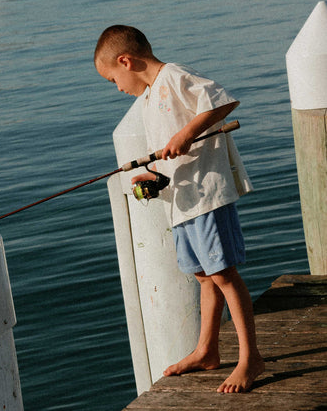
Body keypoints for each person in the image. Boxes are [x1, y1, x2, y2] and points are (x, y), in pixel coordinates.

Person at [94, 25, 265, 393]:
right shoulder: (149, 99)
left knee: (223, 274)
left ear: (126, 61)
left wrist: (186, 133)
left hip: (207, 195)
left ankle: (251, 358)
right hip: (183, 202)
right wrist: (152, 177)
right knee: (204, 276)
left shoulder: (174, 76)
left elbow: (224, 101)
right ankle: (207, 350)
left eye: (113, 79)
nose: (118, 88)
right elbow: (169, 157)